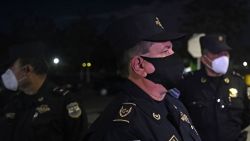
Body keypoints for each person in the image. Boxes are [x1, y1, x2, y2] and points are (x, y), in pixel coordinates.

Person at [83, 13, 201, 141]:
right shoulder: (120, 129)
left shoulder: (174, 104)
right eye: (165, 51)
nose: (173, 56)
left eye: (172, 49)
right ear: (139, 66)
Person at [0, 41, 88, 141]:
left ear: (27, 69)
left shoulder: (65, 103)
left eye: (12, 67)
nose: (8, 73)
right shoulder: (11, 102)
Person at [179, 34, 250, 141]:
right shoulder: (190, 84)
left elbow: (246, 116)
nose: (223, 58)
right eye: (217, 54)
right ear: (204, 58)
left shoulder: (238, 83)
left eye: (225, 53)